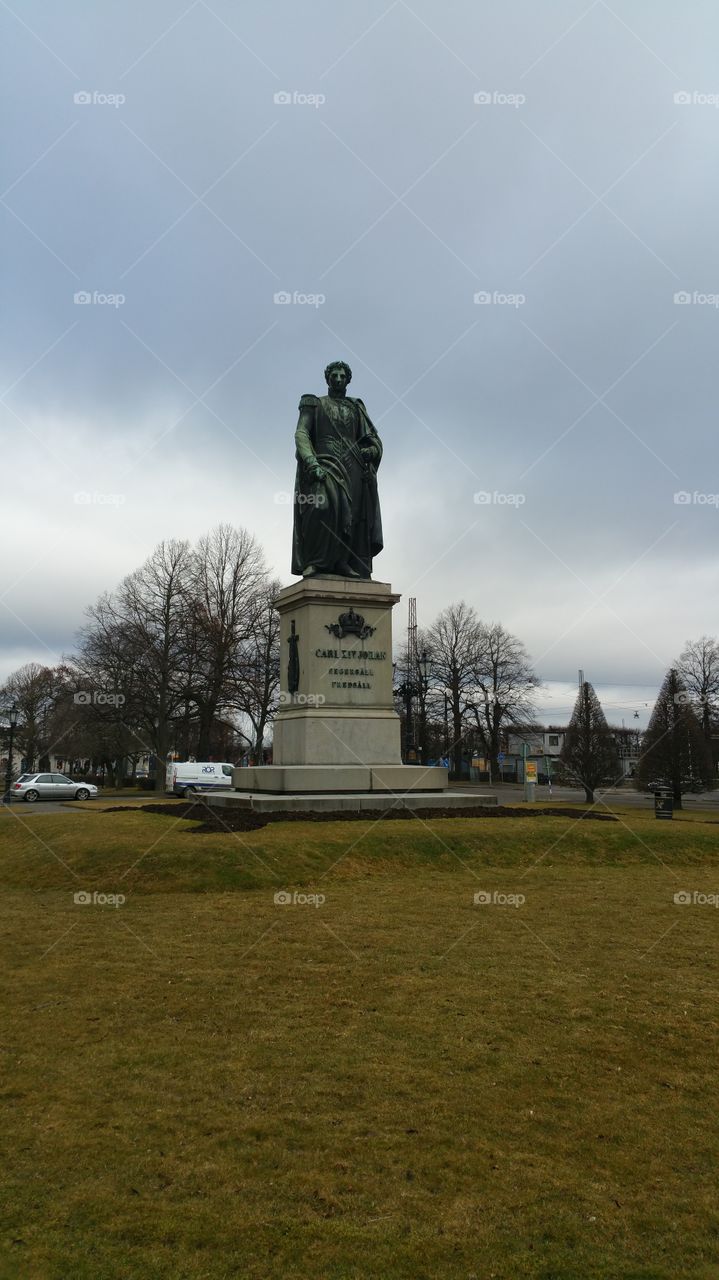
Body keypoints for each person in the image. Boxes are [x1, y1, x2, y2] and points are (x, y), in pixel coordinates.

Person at [291, 360, 383, 579]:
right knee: (321, 508)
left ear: (348, 380)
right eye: (335, 376)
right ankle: (316, 561)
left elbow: (371, 439)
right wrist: (311, 462)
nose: (339, 380)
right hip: (324, 462)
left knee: (352, 516)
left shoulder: (356, 407)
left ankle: (343, 561)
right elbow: (301, 433)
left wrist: (371, 450)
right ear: (328, 378)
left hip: (354, 468)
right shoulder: (314, 404)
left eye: (343, 376)